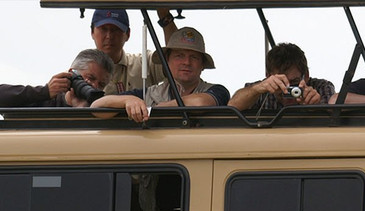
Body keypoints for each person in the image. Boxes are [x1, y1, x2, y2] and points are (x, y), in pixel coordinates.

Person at [91, 27, 230, 123]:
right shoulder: (150, 93)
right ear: (167, 61)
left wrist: (155, 109)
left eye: (194, 57)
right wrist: (128, 101)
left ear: (202, 65)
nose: (186, 62)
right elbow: (97, 108)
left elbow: (200, 103)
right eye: (179, 56)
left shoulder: (218, 91)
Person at [90, 7, 177, 95]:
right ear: (92, 32)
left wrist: (164, 16)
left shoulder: (143, 64)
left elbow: (177, 61)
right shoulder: (82, 71)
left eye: (115, 29)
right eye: (103, 29)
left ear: (128, 34)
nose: (109, 36)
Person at [229, 42, 335, 114]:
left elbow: (333, 118)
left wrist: (315, 105)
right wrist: (257, 89)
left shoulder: (321, 88)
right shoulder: (261, 90)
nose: (287, 90)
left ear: (306, 76)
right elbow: (232, 106)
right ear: (268, 76)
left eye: (294, 82)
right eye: (280, 82)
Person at [0, 50, 113, 108]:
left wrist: (82, 110)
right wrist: (44, 92)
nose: (94, 86)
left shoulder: (101, 110)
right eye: (90, 78)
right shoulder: (44, 101)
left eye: (101, 84)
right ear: (72, 74)